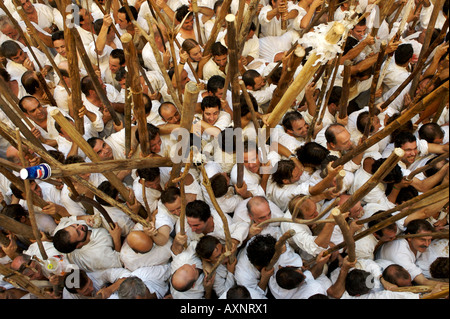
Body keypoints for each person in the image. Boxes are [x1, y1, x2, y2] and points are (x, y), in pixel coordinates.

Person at [376, 219, 447, 287]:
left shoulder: (413, 242)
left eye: (429, 240)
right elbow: (424, 281)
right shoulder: (400, 255)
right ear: (409, 237)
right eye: (423, 240)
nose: (427, 244)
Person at [52, 215, 123, 272]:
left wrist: (85, 217)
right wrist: (116, 238)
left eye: (74, 226)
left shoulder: (61, 229)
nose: (80, 226)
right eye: (79, 232)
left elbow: (69, 219)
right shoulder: (96, 256)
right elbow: (119, 261)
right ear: (79, 245)